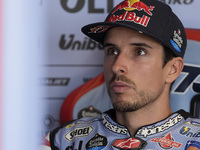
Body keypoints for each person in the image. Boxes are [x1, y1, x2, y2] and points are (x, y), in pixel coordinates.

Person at [42, 0, 200, 149]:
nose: (117, 66)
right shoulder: (62, 141)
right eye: (112, 51)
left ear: (173, 69)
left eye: (139, 51)